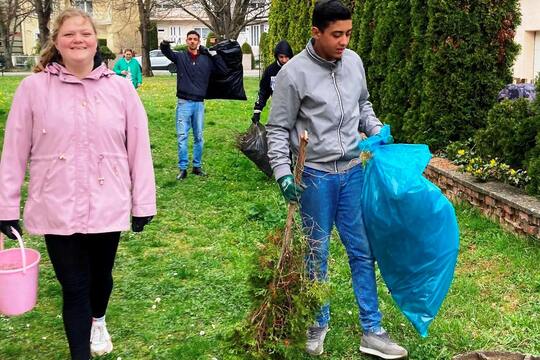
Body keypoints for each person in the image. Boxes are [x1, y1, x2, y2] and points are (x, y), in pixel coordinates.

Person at [0, 9, 156, 360]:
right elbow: (13, 151)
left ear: (94, 40)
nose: (78, 40)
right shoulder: (32, 90)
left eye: (84, 33)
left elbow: (139, 149)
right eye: (69, 34)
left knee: (100, 279)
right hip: (56, 204)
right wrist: (5, 206)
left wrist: (143, 203)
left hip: (107, 201)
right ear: (56, 41)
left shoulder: (121, 90)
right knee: (74, 287)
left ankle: (98, 318)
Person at [266, 1, 407, 359]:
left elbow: (364, 105)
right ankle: (317, 322)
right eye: (336, 34)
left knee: (363, 251)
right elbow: (277, 129)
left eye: (348, 33)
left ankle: (372, 330)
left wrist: (375, 128)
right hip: (315, 177)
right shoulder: (293, 74)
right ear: (316, 33)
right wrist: (283, 174)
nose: (344, 41)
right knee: (317, 253)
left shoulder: (354, 62)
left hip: (352, 173)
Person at [160, 30, 228, 180]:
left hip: (198, 103)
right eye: (189, 39)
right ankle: (183, 168)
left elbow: (223, 70)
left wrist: (213, 54)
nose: (192, 41)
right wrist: (164, 42)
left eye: (195, 39)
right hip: (184, 102)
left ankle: (197, 167)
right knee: (182, 136)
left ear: (199, 41)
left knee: (198, 136)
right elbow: (166, 51)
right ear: (186, 41)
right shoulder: (180, 57)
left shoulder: (206, 59)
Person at [251, 40, 294, 123]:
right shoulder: (270, 71)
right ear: (277, 56)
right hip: (277, 110)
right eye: (281, 57)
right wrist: (257, 111)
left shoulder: (296, 69)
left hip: (295, 109)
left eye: (287, 57)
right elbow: (263, 91)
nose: (284, 60)